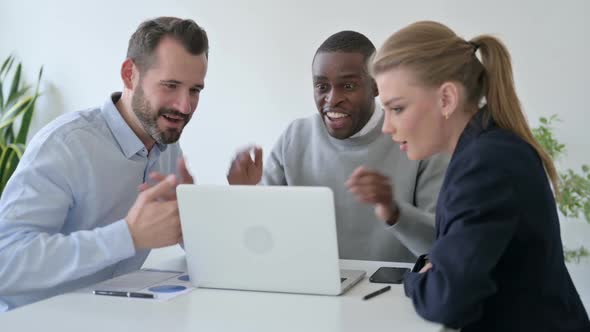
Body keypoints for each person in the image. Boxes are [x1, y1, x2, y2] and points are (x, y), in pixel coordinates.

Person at [371, 21, 590, 331]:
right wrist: (432, 271)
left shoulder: (486, 165)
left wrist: (413, 281)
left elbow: (448, 300)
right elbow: (457, 259)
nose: (386, 127)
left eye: (397, 109)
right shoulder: (483, 150)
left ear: (446, 98)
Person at [0, 16, 207, 311]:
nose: (184, 106)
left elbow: (198, 249)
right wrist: (128, 236)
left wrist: (199, 217)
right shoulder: (65, 146)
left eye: (195, 90)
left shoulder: (166, 148)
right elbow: (5, 262)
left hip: (107, 316)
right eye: (170, 85)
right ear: (129, 75)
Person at [227, 31, 448, 263]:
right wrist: (245, 195)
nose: (332, 99)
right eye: (322, 86)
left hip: (393, 293)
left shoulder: (417, 141)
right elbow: (261, 235)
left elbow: (444, 243)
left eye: (348, 86)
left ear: (376, 87)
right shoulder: (296, 136)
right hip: (307, 285)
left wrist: (393, 211)